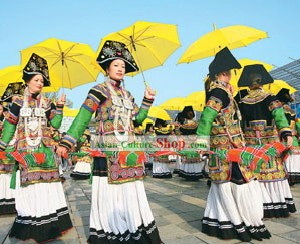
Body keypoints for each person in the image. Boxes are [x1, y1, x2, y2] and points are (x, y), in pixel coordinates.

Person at [56, 40, 163, 243]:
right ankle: (112, 230)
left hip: (129, 153)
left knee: (131, 192)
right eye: (116, 65)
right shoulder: (98, 90)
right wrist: (67, 142)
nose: (120, 69)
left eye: (123, 66)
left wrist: (147, 100)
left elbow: (138, 120)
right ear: (107, 68)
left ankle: (133, 227)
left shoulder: (128, 95)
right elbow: (83, 117)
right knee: (110, 195)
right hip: (108, 154)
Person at [196, 47, 271, 241]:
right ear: (216, 75)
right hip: (226, 148)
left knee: (229, 184)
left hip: (233, 146)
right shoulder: (219, 92)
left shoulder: (224, 93)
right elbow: (206, 118)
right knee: (232, 184)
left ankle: (224, 221)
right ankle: (236, 222)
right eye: (224, 72)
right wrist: (202, 142)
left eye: (229, 72)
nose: (228, 75)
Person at [0, 53, 73, 242]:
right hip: (26, 153)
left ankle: (50, 223)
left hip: (46, 152)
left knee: (46, 186)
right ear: (27, 81)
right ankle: (31, 222)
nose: (40, 83)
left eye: (42, 80)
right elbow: (9, 126)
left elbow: (55, 123)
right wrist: (1, 146)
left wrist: (60, 107)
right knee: (30, 187)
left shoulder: (47, 102)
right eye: (36, 80)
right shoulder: (16, 102)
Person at [237, 65, 296, 218]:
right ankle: (277, 204)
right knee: (273, 172)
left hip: (251, 145)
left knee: (256, 174)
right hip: (270, 142)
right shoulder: (270, 97)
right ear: (262, 82)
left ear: (248, 84)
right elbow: (279, 117)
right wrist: (287, 133)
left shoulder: (242, 102)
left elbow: (238, 123)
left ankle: (258, 206)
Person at [276, 88, 300, 186]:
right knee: (294, 161)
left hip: (282, 138)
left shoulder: (278, 111)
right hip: (293, 140)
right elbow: (298, 126)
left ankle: (286, 179)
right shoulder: (292, 112)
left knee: (285, 160)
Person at [177, 106, 204, 181]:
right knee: (195, 158)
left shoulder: (184, 125)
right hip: (195, 142)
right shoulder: (197, 124)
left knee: (188, 158)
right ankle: (196, 172)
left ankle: (188, 172)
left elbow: (179, 132)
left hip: (187, 143)